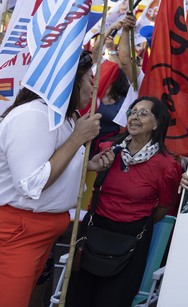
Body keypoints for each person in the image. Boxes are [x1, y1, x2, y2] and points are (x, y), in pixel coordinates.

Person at [0, 50, 114, 307]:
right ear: (69, 82)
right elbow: (32, 184)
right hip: (18, 232)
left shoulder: (63, 117)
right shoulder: (34, 115)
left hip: (39, 232)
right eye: (89, 78)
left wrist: (85, 166)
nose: (94, 85)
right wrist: (77, 139)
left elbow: (51, 164)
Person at [65, 96, 181, 307]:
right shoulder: (107, 148)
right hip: (94, 231)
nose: (134, 117)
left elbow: (163, 207)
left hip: (131, 241)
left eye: (143, 113)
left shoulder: (167, 166)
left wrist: (134, 222)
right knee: (77, 298)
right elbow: (83, 184)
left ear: (156, 124)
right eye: (132, 112)